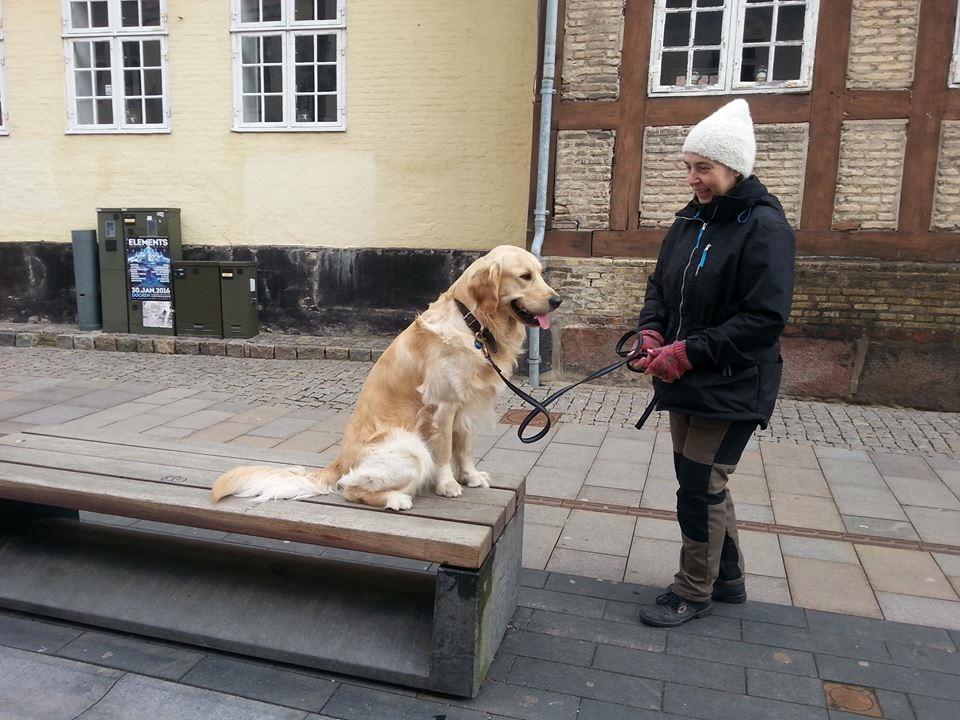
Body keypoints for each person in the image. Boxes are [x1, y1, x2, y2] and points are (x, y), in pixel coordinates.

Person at [628, 99, 796, 628]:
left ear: (734, 167)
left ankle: (693, 590)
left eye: (703, 168)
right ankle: (727, 579)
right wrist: (652, 332)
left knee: (699, 488)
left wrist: (686, 352)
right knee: (700, 482)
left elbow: (765, 318)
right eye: (689, 167)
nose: (693, 179)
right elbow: (660, 286)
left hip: (732, 383)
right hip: (684, 378)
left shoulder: (764, 227)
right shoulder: (690, 220)